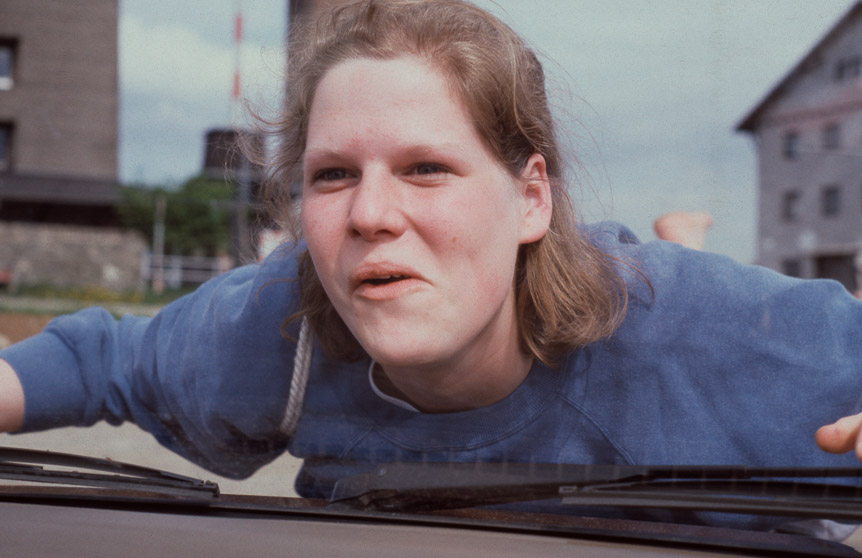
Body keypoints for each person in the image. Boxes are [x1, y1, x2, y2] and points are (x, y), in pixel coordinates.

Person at [1, 0, 861, 516]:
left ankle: (684, 235)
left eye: (426, 168)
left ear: (532, 196)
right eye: (333, 175)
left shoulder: (713, 335)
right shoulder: (283, 326)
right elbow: (97, 357)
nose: (371, 215)